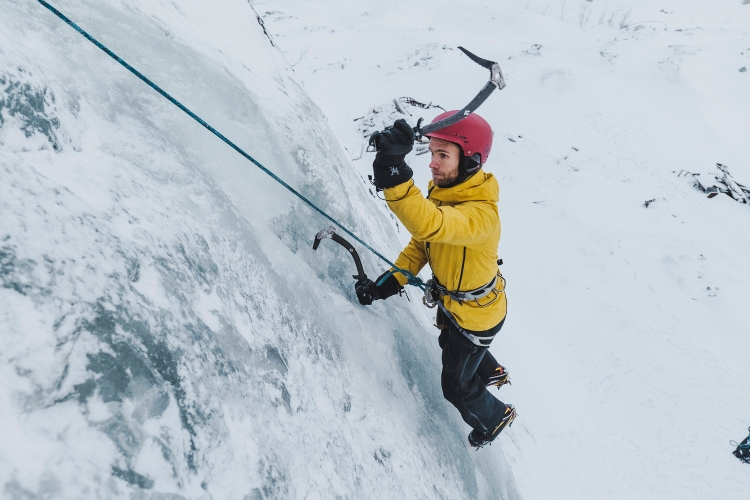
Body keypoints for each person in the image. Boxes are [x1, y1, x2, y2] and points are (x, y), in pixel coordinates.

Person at [355, 112, 516, 448]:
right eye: (431, 154)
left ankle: (495, 417)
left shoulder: (481, 215)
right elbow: (423, 246)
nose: (432, 164)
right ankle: (490, 371)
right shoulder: (444, 191)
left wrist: (393, 172)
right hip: (461, 307)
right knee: (452, 346)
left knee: (456, 385)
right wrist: (387, 284)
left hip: (477, 317)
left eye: (443, 156)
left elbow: (431, 225)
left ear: (470, 162)